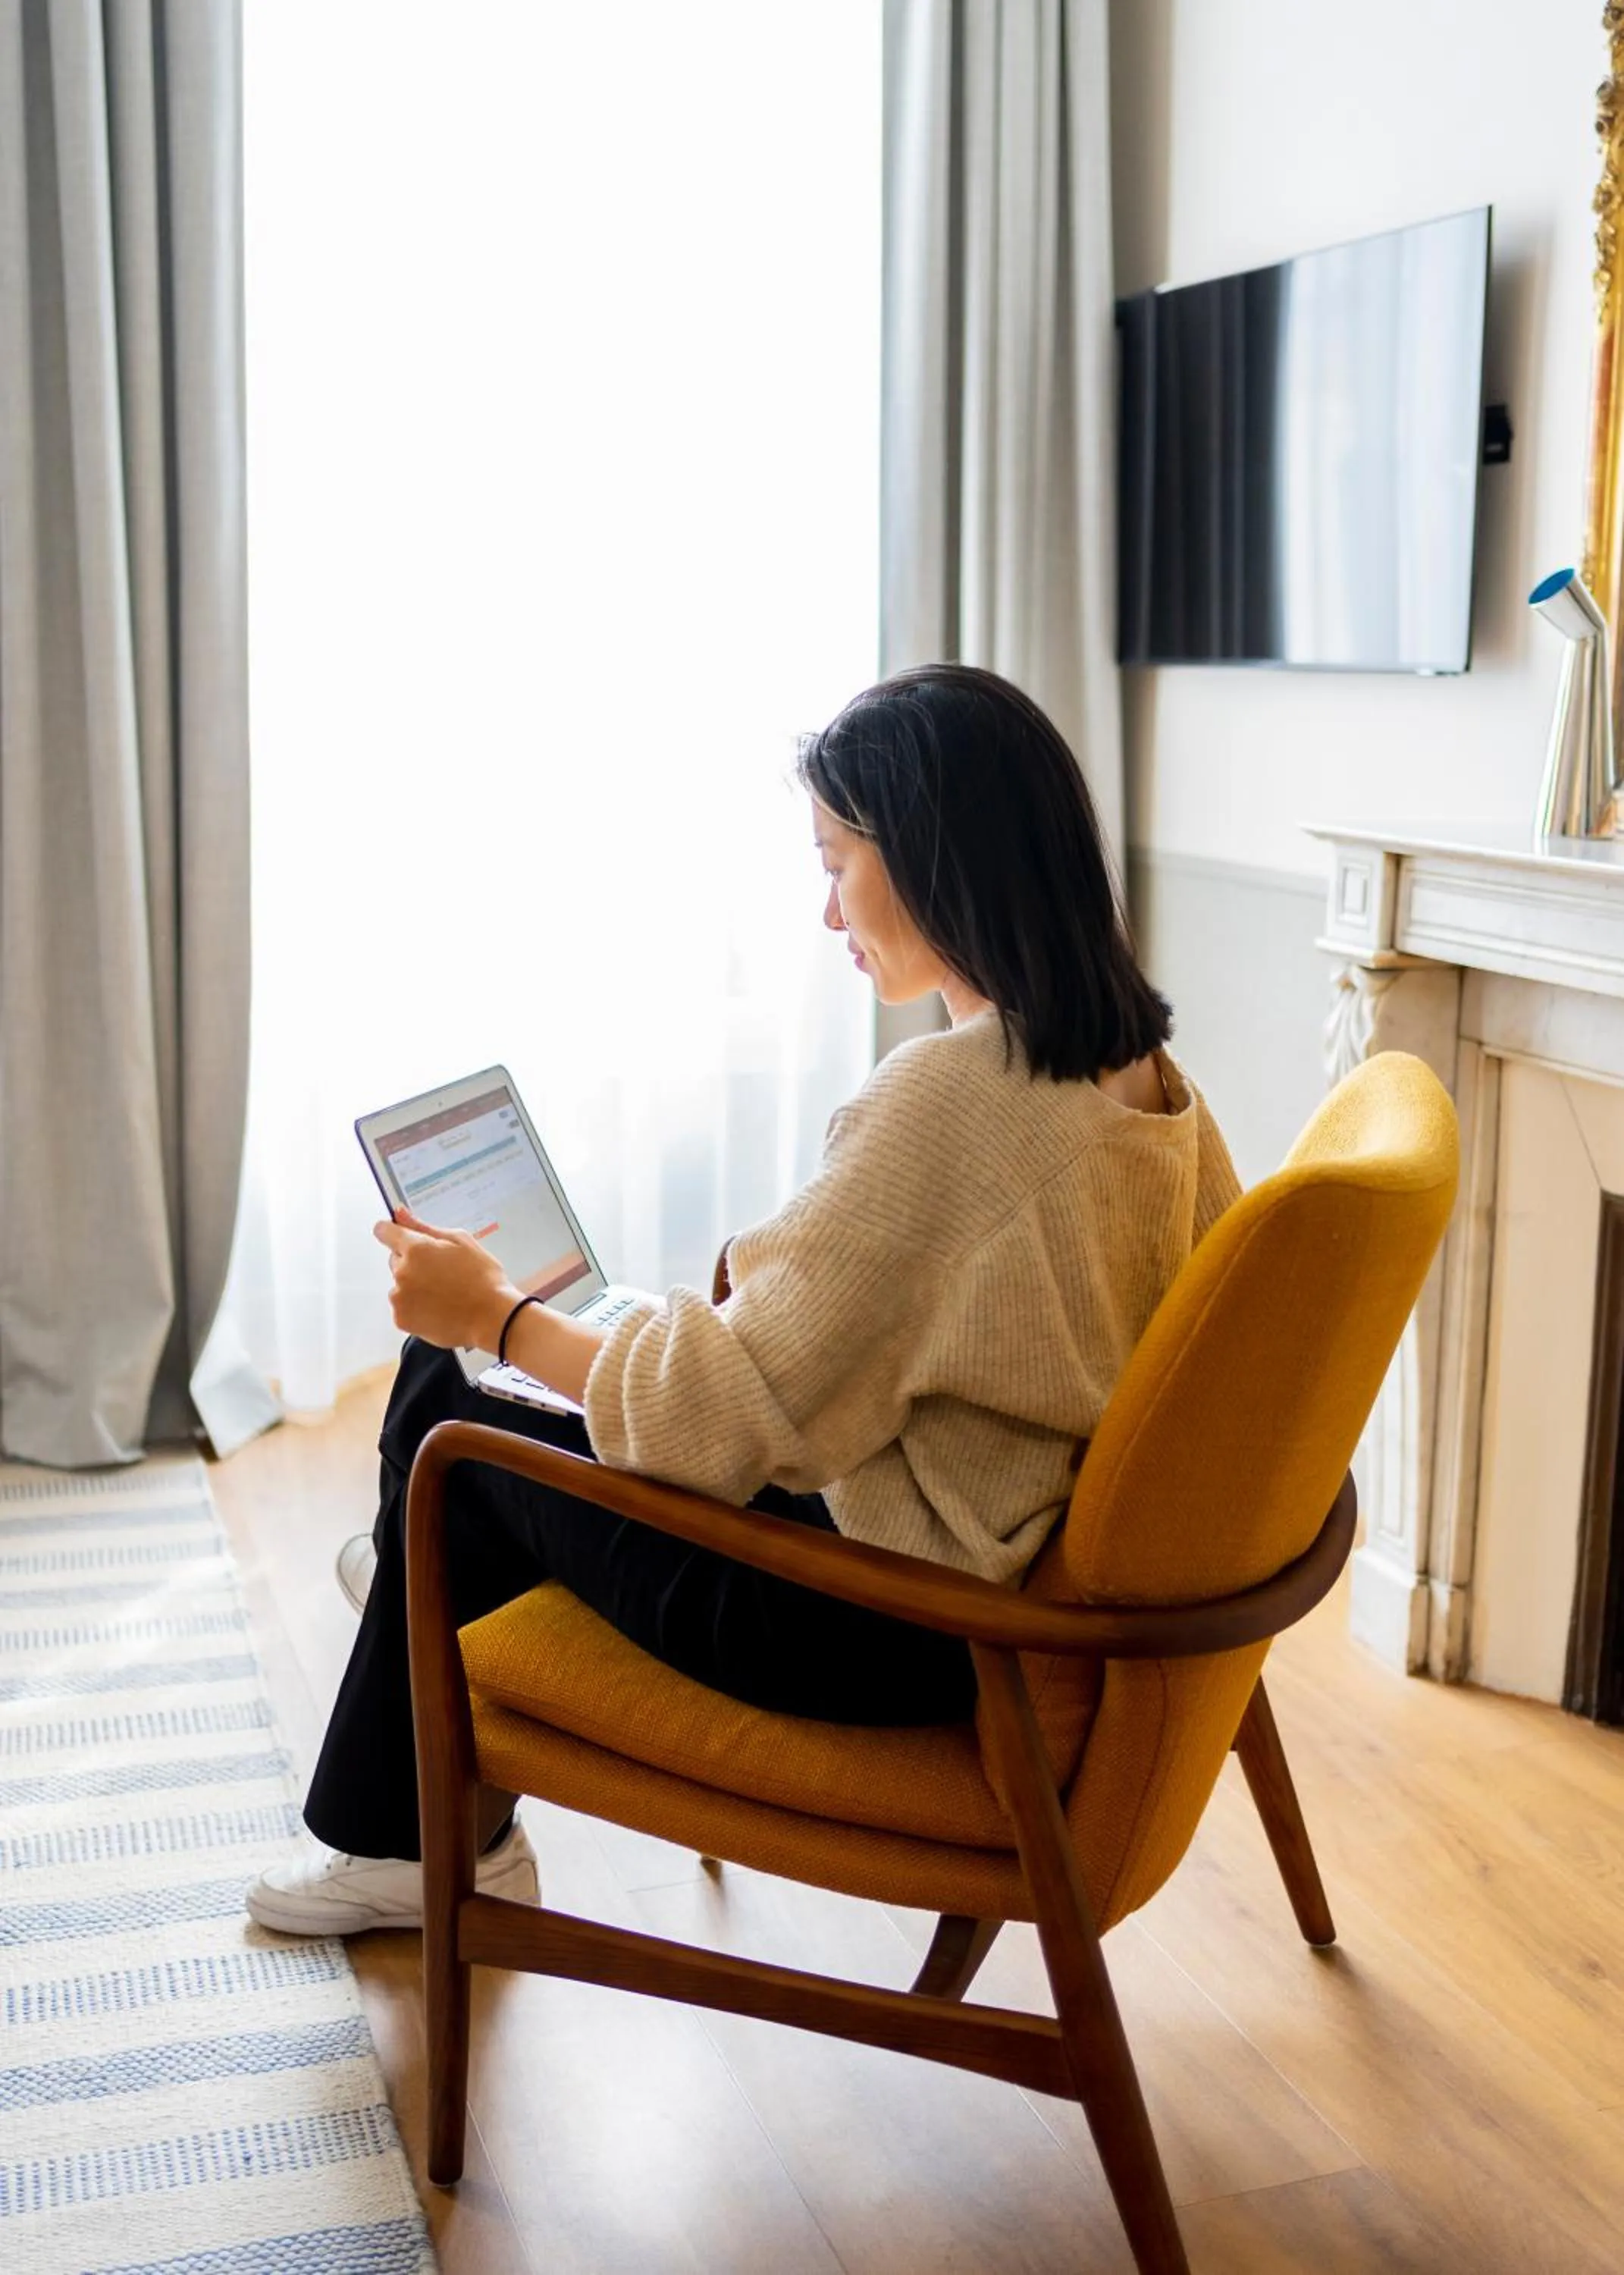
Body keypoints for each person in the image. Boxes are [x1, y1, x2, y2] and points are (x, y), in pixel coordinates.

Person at [246, 663, 1240, 1936]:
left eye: (836, 862)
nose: (827, 910)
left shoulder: (956, 1102)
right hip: (971, 1565)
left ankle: (421, 1801)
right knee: (514, 1403)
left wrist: (493, 1314)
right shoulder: (1152, 1082)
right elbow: (914, 1333)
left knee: (452, 1405)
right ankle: (417, 1597)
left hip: (868, 1619)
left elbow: (711, 1425)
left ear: (932, 853)